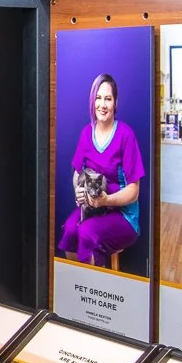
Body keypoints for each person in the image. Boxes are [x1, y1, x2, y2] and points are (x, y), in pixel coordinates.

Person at [58, 73, 144, 269]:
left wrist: (106, 200)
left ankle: (94, 292)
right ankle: (77, 285)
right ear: (92, 100)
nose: (102, 104)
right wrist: (77, 191)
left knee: (87, 232)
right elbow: (76, 173)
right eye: (98, 97)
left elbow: (134, 191)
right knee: (71, 229)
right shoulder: (86, 133)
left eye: (108, 98)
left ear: (115, 103)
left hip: (123, 215)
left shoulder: (126, 135)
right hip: (92, 209)